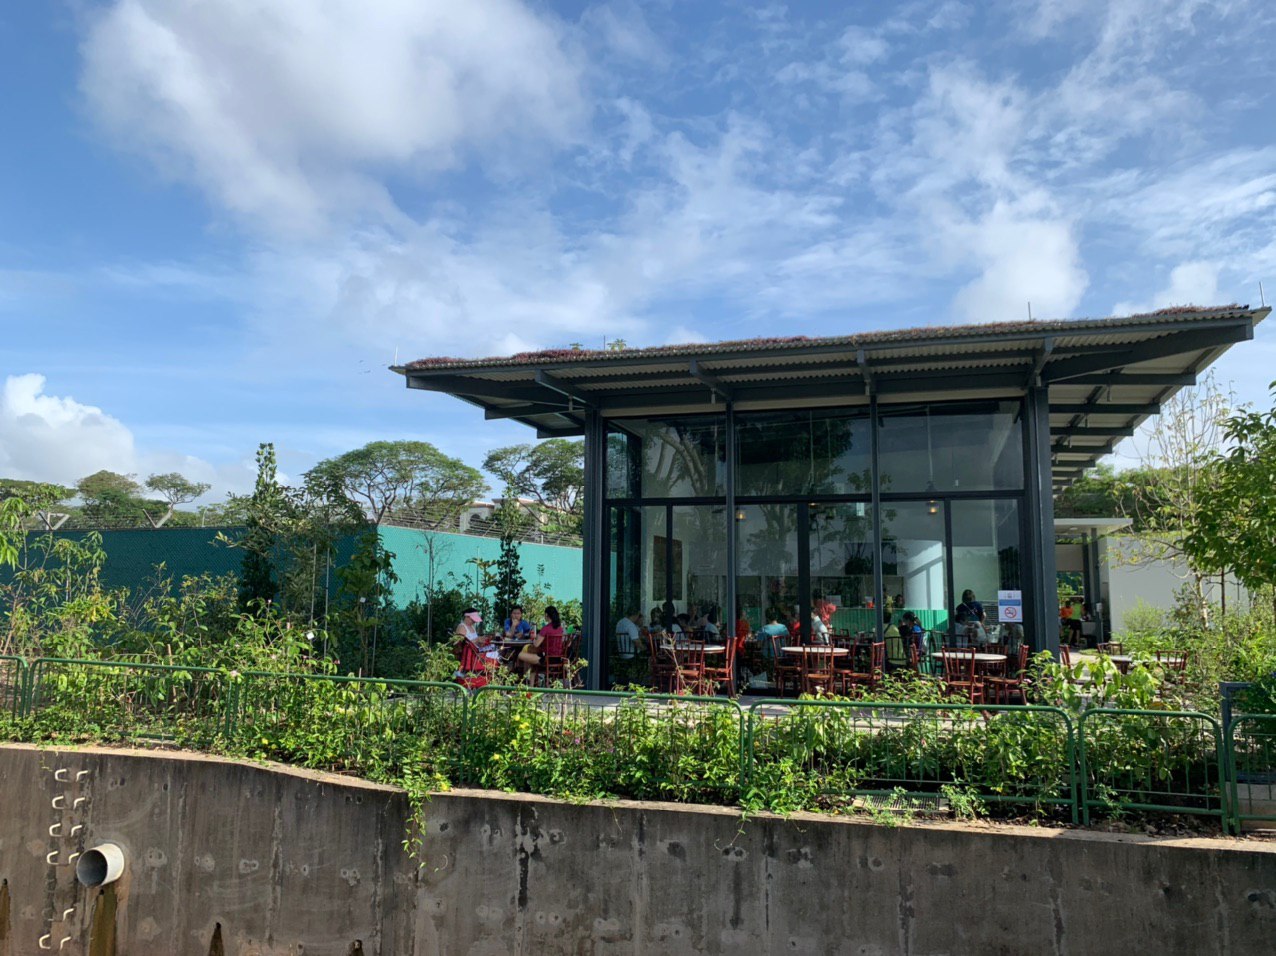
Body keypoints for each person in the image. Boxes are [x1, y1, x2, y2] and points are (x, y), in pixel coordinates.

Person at [454, 608, 499, 686]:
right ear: (467, 617)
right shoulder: (462, 627)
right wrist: (477, 640)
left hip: (475, 651)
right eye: (473, 619)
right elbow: (460, 644)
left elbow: (474, 642)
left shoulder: (472, 627)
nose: (474, 621)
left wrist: (481, 641)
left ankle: (490, 679)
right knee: (494, 655)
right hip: (470, 655)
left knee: (496, 650)